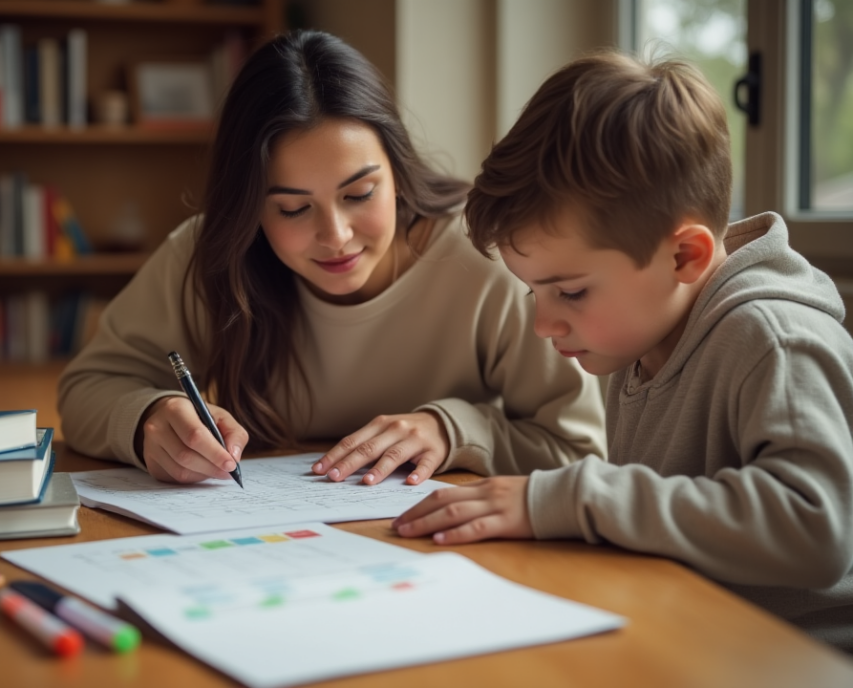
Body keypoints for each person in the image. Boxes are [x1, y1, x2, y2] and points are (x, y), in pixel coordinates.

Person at [392, 50, 853, 650]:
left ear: (683, 256)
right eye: (535, 292)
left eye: (572, 291)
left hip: (794, 657)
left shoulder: (772, 339)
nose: (544, 323)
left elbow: (815, 530)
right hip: (688, 631)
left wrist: (575, 497)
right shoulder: (646, 334)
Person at [57, 30, 605, 488]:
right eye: (293, 209)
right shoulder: (210, 254)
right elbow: (88, 387)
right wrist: (147, 420)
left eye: (360, 194)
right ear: (250, 209)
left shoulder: (491, 257)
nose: (336, 235)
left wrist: (454, 429)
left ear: (398, 172)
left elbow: (579, 448)